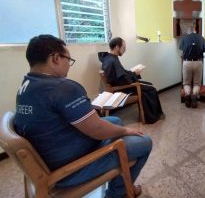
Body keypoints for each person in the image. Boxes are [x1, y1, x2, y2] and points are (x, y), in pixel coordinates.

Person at [14, 34, 152, 198]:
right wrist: (125, 131)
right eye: (68, 60)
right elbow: (97, 129)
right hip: (69, 169)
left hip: (50, 155)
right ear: (56, 58)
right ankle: (118, 193)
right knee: (144, 142)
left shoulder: (26, 86)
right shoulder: (62, 87)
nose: (69, 65)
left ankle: (118, 176)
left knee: (114, 120)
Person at [98, 37, 164, 124]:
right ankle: (151, 117)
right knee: (151, 89)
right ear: (117, 47)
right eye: (124, 48)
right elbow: (122, 80)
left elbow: (120, 74)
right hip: (121, 88)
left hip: (120, 84)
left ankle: (150, 113)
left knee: (148, 84)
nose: (125, 50)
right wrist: (134, 74)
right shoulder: (113, 60)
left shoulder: (108, 58)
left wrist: (131, 72)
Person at [179, 27, 205, 108]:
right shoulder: (202, 38)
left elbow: (182, 51)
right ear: (195, 31)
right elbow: (203, 51)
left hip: (187, 62)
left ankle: (187, 96)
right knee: (197, 83)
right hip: (198, 62)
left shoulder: (184, 38)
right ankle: (194, 97)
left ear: (188, 32)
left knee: (186, 83)